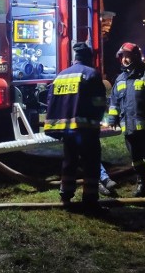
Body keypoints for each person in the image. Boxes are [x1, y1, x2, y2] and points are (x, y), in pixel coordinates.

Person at [44, 42, 108, 213]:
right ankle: (90, 200)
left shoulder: (61, 76)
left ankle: (65, 194)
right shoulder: (92, 74)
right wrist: (99, 119)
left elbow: (51, 102)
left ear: (74, 59)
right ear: (88, 58)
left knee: (69, 161)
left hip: (67, 130)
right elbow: (99, 102)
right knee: (91, 163)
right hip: (86, 129)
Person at [107, 42, 145, 205]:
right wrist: (112, 118)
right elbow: (113, 102)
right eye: (122, 57)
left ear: (135, 57)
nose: (124, 60)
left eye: (127, 56)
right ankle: (141, 185)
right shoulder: (119, 80)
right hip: (128, 128)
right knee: (136, 158)